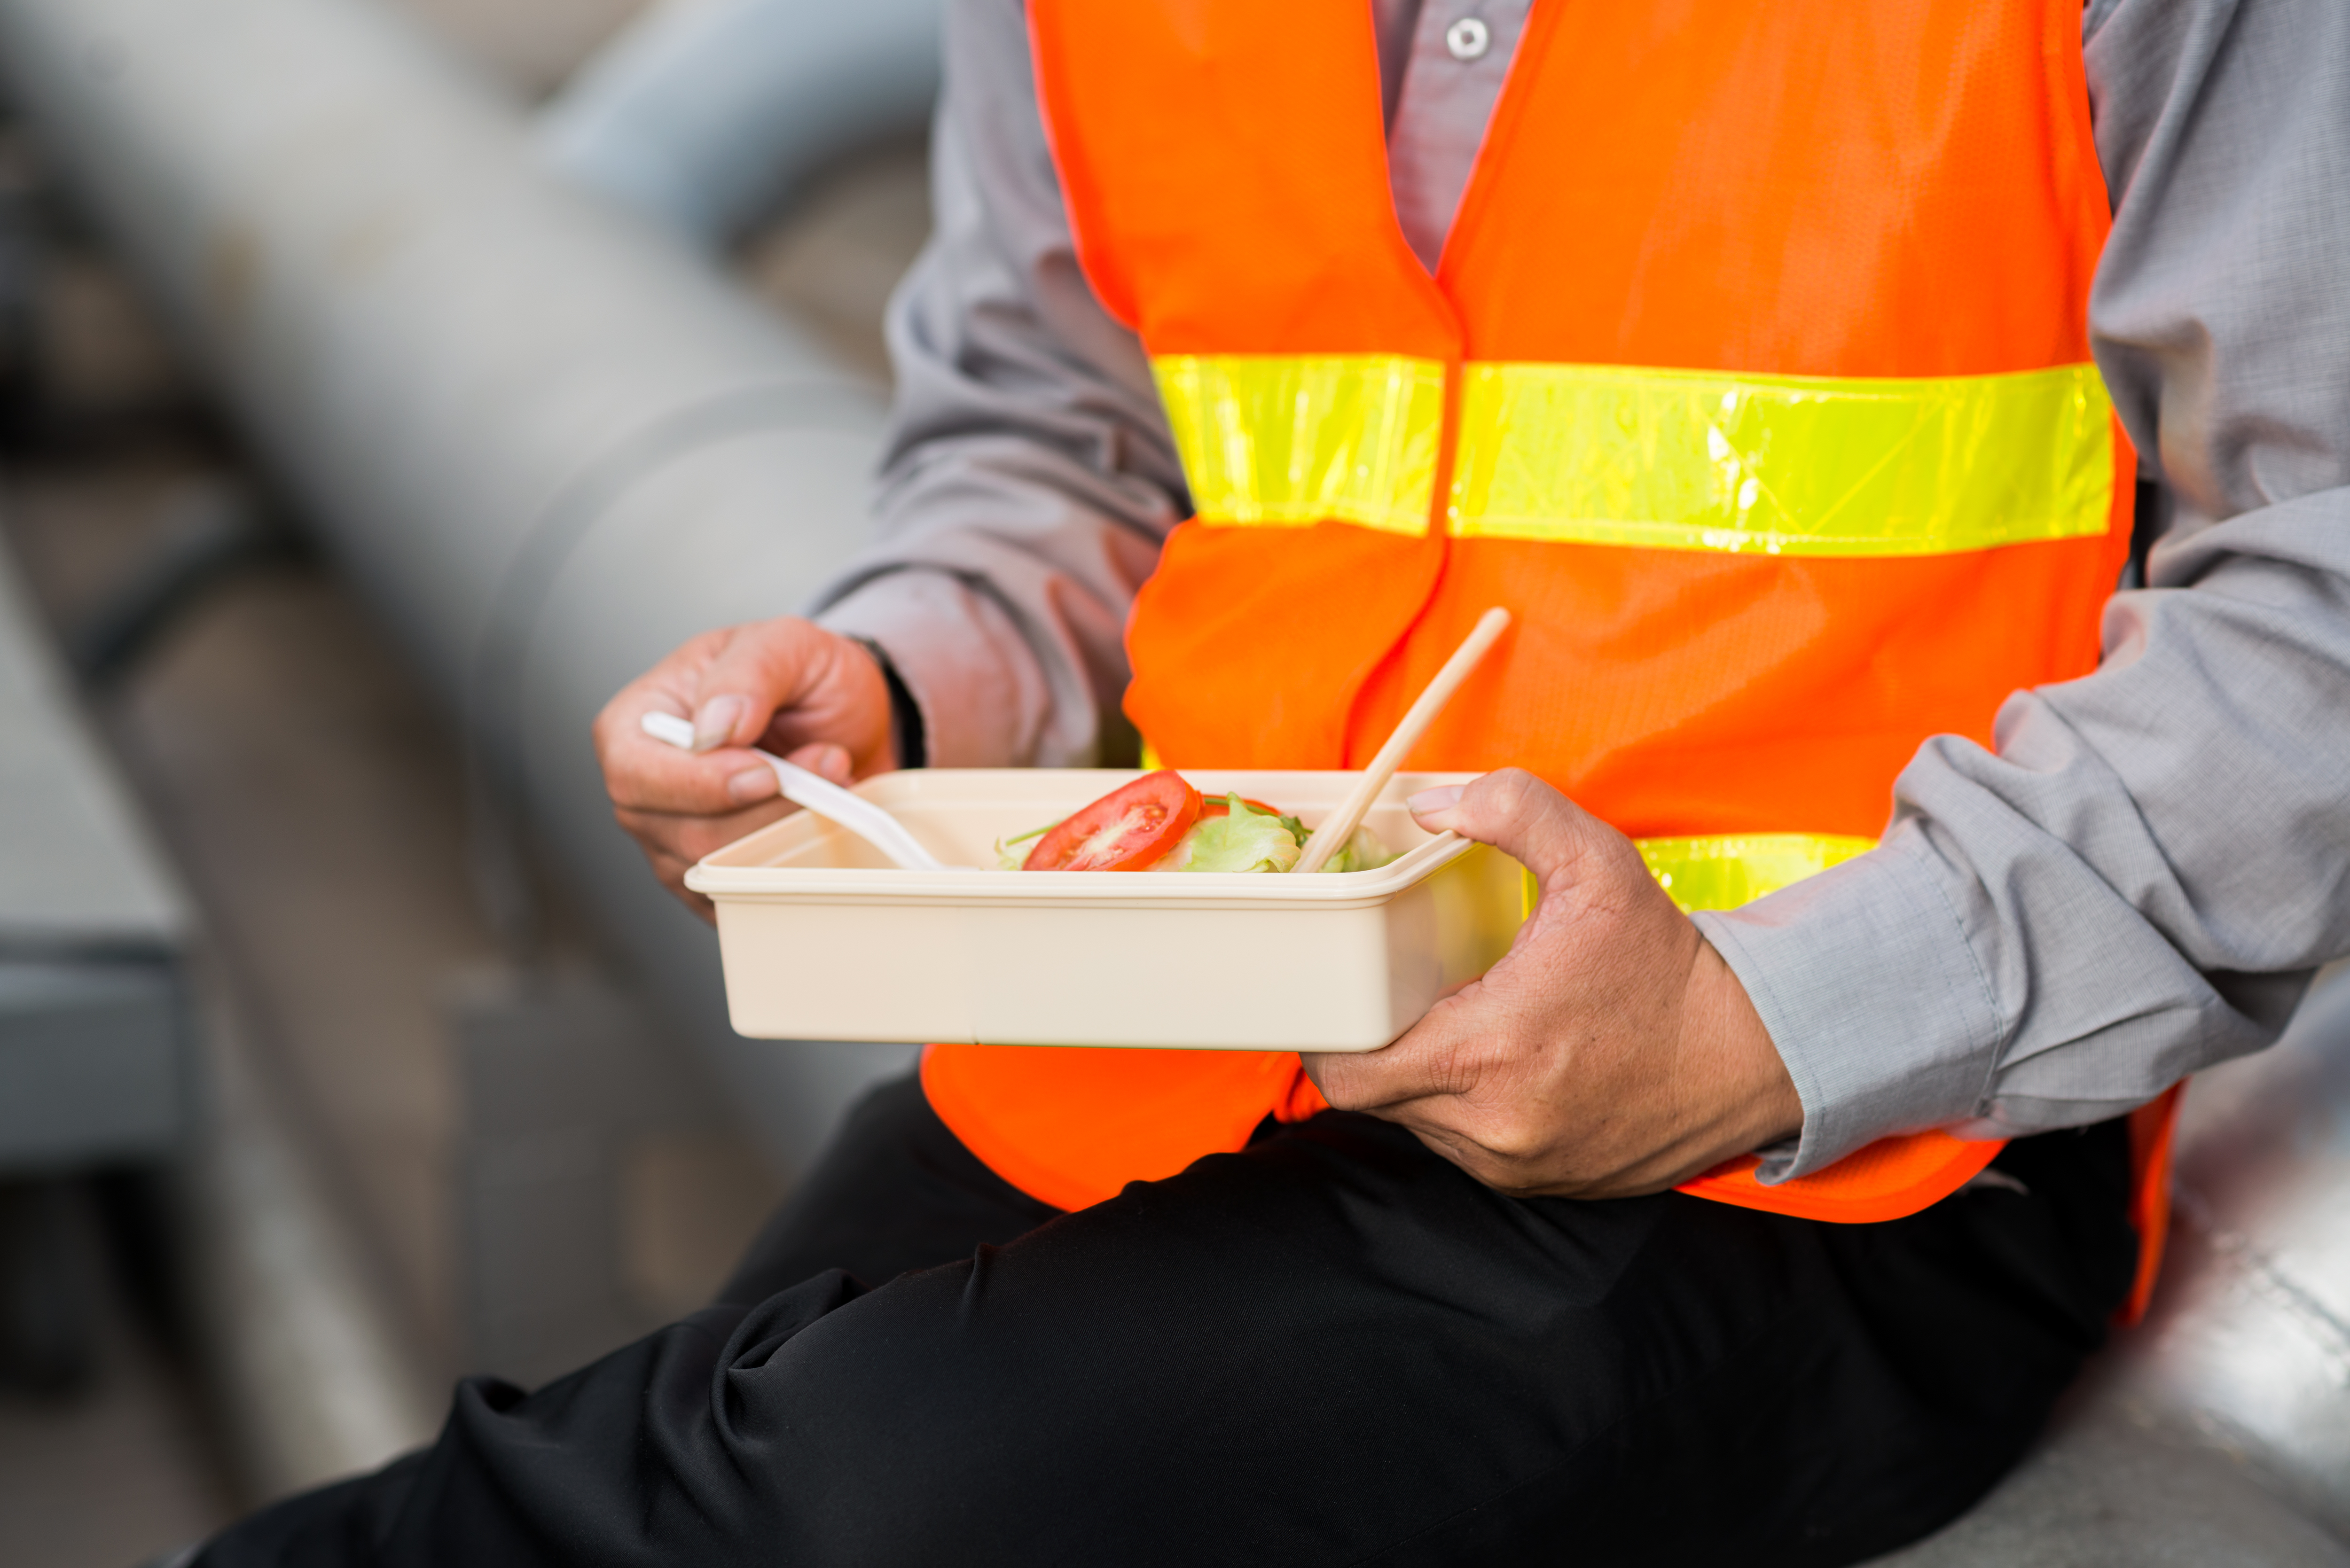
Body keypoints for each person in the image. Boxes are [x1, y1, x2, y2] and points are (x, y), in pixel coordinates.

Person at [192, 0, 2350, 1562]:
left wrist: (1763, 1020)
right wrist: (903, 669)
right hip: (1186, 1038)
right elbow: (1070, 426)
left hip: (1830, 1147)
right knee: (731, 1426)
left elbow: (2320, 577)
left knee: (784, 1508)